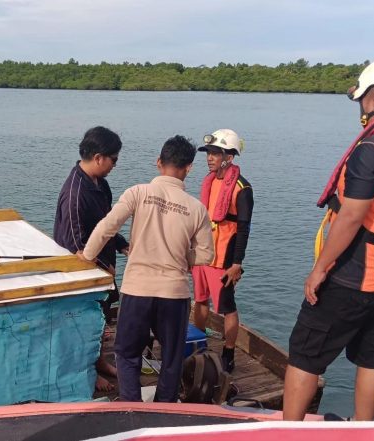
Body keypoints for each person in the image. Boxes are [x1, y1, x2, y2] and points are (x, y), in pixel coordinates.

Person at [283, 55, 374, 421]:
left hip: (354, 274)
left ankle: (289, 430)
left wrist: (320, 268)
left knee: (305, 354)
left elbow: (351, 215)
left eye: (362, 98)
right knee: (371, 354)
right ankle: (364, 429)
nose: (360, 108)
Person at [78, 135, 215, 402]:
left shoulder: (138, 192)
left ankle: (132, 409)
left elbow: (107, 227)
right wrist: (181, 255)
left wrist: (87, 255)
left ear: (158, 162)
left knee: (128, 354)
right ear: (188, 168)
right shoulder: (197, 209)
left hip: (137, 289)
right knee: (172, 358)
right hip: (174, 294)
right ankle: (164, 410)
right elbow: (207, 254)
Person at [53, 125, 129, 392]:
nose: (114, 166)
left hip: (103, 271)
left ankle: (98, 362)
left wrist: (122, 246)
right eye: (113, 160)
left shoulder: (100, 184)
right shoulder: (75, 194)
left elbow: (107, 223)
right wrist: (102, 268)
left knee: (100, 322)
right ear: (98, 157)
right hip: (84, 275)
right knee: (82, 325)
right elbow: (76, 247)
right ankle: (85, 371)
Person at [191, 129, 253, 373]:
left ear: (230, 156)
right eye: (209, 153)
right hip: (202, 253)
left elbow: (244, 229)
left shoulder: (242, 188)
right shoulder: (209, 182)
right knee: (200, 300)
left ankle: (228, 352)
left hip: (223, 257)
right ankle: (198, 342)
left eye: (216, 153)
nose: (210, 158)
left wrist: (236, 263)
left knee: (227, 306)